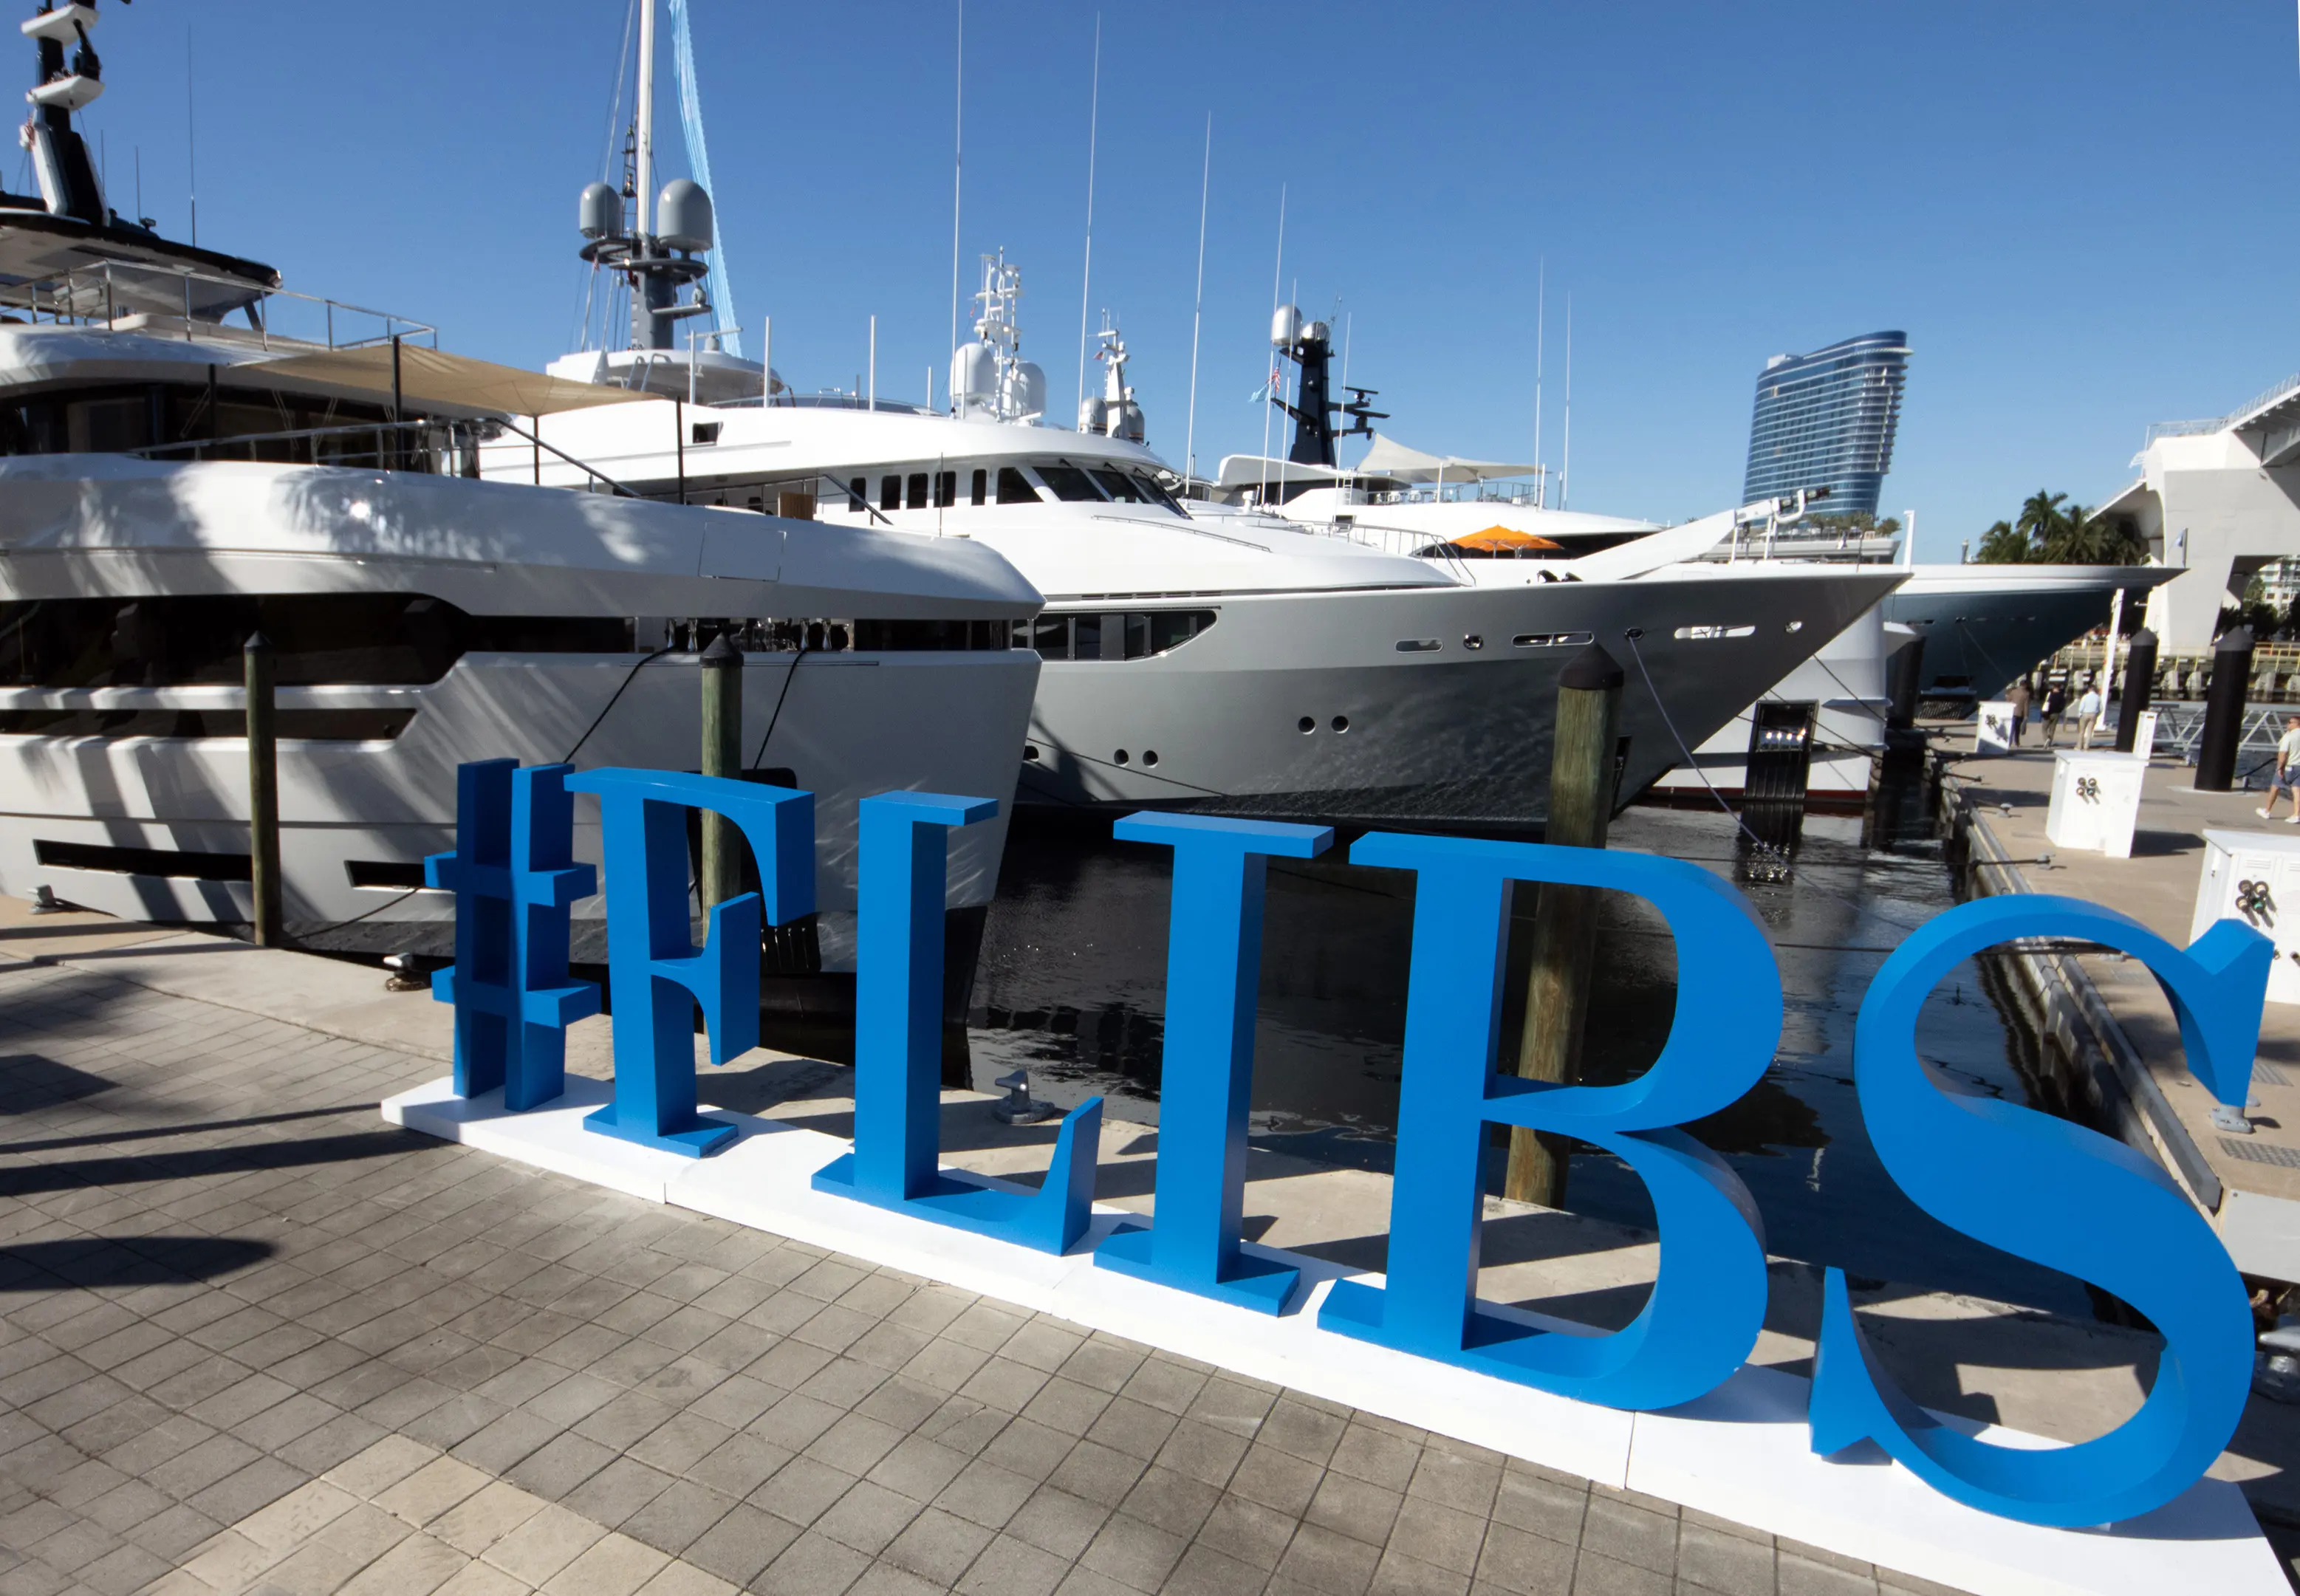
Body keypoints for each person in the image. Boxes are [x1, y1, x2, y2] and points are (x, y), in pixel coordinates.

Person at [2261, 714, 2300, 823]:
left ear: (2296, 724)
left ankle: (2267, 810)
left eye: (2290, 722)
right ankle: (2297, 814)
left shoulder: (2289, 736)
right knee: (2297, 791)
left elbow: (2283, 753)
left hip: (2289, 766)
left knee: (2275, 787)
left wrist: (2279, 768)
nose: (2287, 724)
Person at [2075, 682, 2104, 749]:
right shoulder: (2098, 697)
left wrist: (2080, 714)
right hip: (2094, 714)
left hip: (2085, 714)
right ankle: (2086, 746)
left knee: (2082, 731)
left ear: (2089, 690)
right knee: (2090, 731)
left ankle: (2079, 746)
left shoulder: (2085, 697)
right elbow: (2101, 708)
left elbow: (2081, 706)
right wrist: (2097, 714)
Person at [2006, 677, 2031, 746]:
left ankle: (2009, 742)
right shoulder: (2026, 694)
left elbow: (2008, 700)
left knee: (2011, 728)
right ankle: (2017, 742)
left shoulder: (2013, 691)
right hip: (2021, 713)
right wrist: (2026, 715)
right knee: (2018, 729)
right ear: (2025, 685)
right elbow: (2026, 706)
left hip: (2013, 712)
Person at [2042, 682, 2069, 746]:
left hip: (2049, 713)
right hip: (2057, 714)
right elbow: (2063, 705)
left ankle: (2046, 739)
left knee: (2044, 728)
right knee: (2052, 729)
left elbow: (2047, 703)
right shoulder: (2062, 696)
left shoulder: (2050, 695)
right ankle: (2050, 742)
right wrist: (2059, 710)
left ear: (2054, 688)